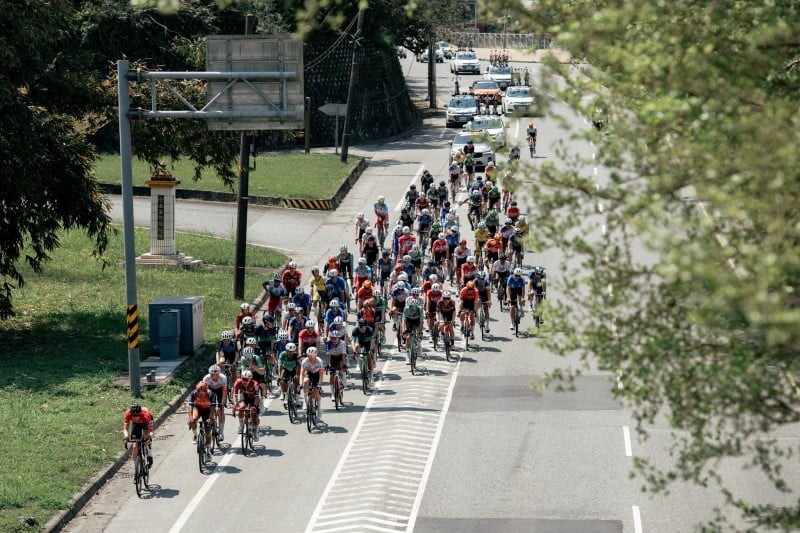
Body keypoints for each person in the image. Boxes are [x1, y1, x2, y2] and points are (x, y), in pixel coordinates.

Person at [232, 369, 260, 441]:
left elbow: (257, 397)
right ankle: (241, 425)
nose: (244, 381)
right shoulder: (238, 382)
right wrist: (235, 405)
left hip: (254, 399)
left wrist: (254, 406)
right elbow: (235, 395)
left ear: (250, 379)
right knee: (241, 408)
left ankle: (256, 430)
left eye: (246, 379)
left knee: (255, 415)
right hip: (244, 397)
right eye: (243, 379)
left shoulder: (255, 384)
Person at [123, 403, 154, 467]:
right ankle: (136, 467)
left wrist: (149, 437)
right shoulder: (128, 414)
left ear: (140, 414)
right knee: (135, 446)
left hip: (145, 422)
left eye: (137, 415)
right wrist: (126, 437)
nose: (135, 417)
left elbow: (151, 430)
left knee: (146, 437)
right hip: (136, 425)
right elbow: (125, 428)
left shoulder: (146, 415)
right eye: (133, 416)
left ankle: (149, 453)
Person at [187, 381, 215, 450]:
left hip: (207, 410)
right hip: (197, 408)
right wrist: (190, 418)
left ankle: (208, 450)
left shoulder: (210, 394)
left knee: (208, 432)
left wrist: (210, 418)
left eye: (204, 391)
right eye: (200, 392)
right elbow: (190, 407)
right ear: (197, 391)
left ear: (206, 390)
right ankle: (195, 435)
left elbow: (212, 408)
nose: (202, 393)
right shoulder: (193, 393)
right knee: (193, 419)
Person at [203, 364, 228, 441]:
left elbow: (224, 393)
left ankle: (221, 432)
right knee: (210, 407)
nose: (214, 377)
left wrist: (222, 405)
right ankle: (211, 421)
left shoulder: (223, 378)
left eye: (216, 375)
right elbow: (204, 393)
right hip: (211, 390)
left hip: (220, 390)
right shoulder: (206, 378)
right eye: (212, 375)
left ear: (219, 374)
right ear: (209, 374)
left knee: (221, 410)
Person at [300, 347, 325, 418]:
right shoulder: (305, 361)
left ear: (315, 355)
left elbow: (321, 375)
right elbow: (302, 374)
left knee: (316, 391)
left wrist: (319, 385)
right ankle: (305, 402)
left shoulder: (319, 361)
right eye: (308, 355)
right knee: (305, 381)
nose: (310, 357)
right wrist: (301, 384)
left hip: (317, 375)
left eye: (312, 355)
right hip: (309, 373)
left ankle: (319, 410)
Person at [277, 342, 301, 407]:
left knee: (296, 383)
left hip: (294, 370)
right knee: (282, 382)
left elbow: (298, 366)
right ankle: (286, 396)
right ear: (286, 351)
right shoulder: (282, 354)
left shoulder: (296, 355)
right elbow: (280, 365)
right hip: (286, 369)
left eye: (292, 352)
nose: (290, 353)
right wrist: (279, 375)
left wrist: (297, 375)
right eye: (289, 352)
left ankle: (298, 400)